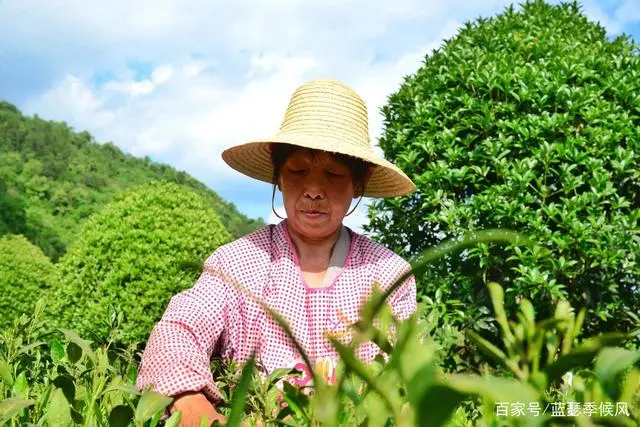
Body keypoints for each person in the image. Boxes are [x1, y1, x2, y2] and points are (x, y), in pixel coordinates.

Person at [136, 78, 418, 426]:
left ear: (358, 183)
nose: (314, 189)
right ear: (279, 177)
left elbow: (406, 376)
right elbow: (180, 329)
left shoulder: (389, 274)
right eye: (298, 170)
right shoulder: (235, 264)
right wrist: (191, 402)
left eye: (333, 173)